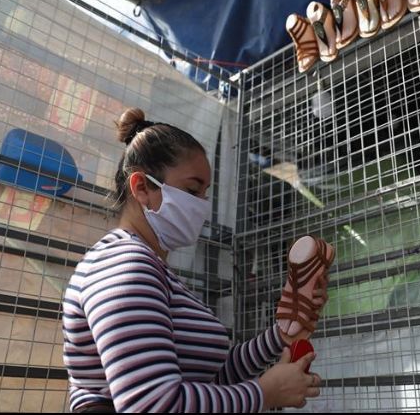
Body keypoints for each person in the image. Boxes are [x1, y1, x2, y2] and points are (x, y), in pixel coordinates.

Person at [62, 108, 327, 413]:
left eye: (204, 193)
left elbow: (211, 377)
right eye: (191, 189)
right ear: (142, 188)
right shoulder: (123, 267)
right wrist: (264, 393)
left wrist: (279, 334)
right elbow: (153, 404)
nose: (201, 205)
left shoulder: (154, 268)